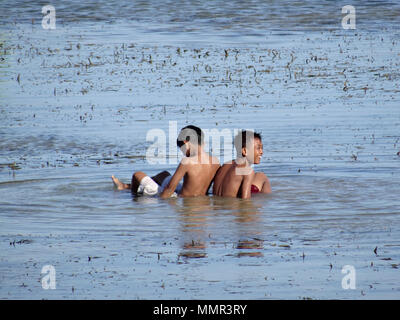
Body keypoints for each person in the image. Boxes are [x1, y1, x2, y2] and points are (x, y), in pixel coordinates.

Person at [112, 125, 220, 199]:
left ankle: (134, 196)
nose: (183, 153)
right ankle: (126, 186)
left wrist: (159, 202)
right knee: (164, 174)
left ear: (186, 142)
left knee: (137, 175)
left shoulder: (187, 162)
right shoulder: (215, 161)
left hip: (177, 198)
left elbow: (169, 189)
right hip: (194, 196)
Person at [212, 130, 271, 199]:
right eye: (258, 148)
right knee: (262, 177)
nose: (261, 152)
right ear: (245, 151)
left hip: (219, 207)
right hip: (232, 208)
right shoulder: (247, 171)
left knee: (260, 176)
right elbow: (245, 202)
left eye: (262, 148)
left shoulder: (225, 166)